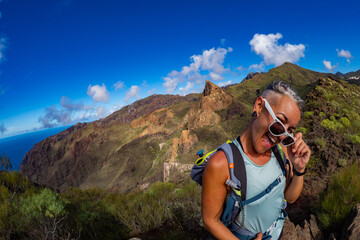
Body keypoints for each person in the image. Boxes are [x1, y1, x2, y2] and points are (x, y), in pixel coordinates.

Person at [201, 81, 311, 240]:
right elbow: (210, 220)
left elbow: (289, 197)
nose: (280, 137)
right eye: (279, 124)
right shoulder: (222, 163)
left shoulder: (282, 151)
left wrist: (299, 169)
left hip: (277, 232)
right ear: (259, 106)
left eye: (289, 132)